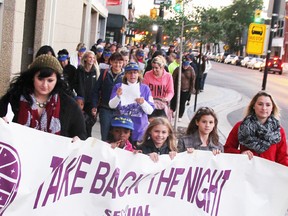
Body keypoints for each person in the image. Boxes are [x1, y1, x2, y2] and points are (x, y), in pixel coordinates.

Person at [0, 54, 87, 140]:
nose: (45, 85)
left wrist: (78, 140)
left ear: (57, 80)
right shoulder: (14, 97)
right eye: (40, 79)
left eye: (50, 80)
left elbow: (81, 134)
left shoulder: (69, 105)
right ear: (32, 77)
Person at [224, 91, 288, 166]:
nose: (264, 108)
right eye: (260, 104)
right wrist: (241, 153)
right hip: (246, 172)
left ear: (272, 108)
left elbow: (282, 158)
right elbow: (227, 149)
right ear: (254, 106)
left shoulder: (278, 131)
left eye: (268, 105)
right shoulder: (240, 126)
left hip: (269, 174)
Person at [109, 62, 154, 145]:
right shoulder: (119, 86)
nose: (132, 75)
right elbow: (111, 105)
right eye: (130, 72)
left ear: (139, 74)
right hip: (122, 129)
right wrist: (118, 97)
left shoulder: (145, 88)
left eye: (135, 72)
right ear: (125, 74)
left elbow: (150, 111)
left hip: (139, 129)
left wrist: (143, 103)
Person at [91, 52, 125, 141]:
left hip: (119, 111)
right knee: (105, 135)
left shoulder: (125, 76)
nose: (117, 65)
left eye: (120, 62)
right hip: (105, 108)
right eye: (115, 62)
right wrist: (94, 105)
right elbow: (96, 90)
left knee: (117, 137)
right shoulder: (105, 73)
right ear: (111, 62)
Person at [74, 51, 100, 136]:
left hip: (91, 101)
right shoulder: (79, 70)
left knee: (90, 123)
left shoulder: (95, 71)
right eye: (90, 57)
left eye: (93, 58)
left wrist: (95, 103)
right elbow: (75, 83)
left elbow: (97, 86)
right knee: (80, 122)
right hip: (81, 100)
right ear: (85, 58)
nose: (92, 60)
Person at [143, 55, 174, 120]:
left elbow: (170, 91)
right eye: (153, 67)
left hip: (162, 104)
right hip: (150, 103)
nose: (154, 70)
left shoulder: (168, 76)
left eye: (156, 68)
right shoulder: (147, 74)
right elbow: (144, 89)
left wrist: (167, 98)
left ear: (162, 67)